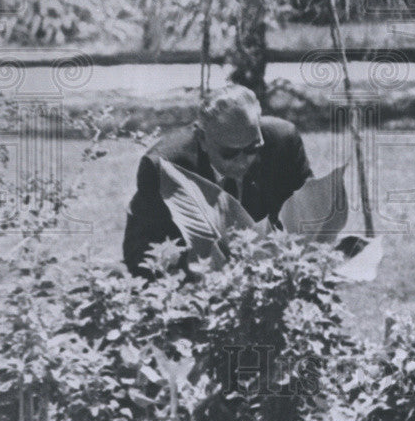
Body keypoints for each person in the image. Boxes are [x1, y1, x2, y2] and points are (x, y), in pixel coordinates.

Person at [123, 84, 313, 278]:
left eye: (252, 148)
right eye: (230, 153)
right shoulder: (164, 166)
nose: (243, 162)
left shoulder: (284, 141)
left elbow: (313, 218)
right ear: (202, 139)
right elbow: (140, 253)